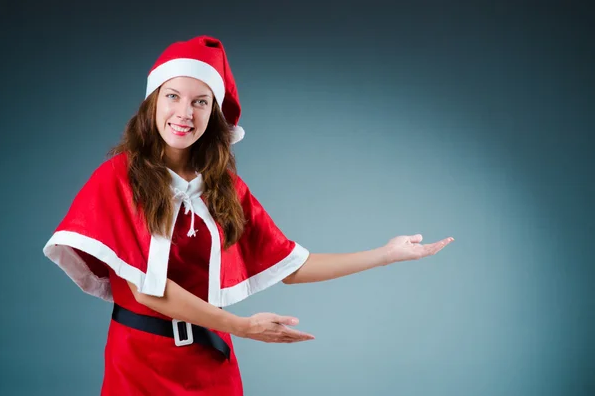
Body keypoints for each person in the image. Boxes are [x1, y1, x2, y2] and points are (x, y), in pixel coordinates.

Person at [43, 35, 454, 395]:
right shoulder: (118, 177)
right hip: (137, 363)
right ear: (153, 102)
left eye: (200, 102)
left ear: (213, 112)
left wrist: (384, 254)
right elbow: (148, 291)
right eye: (173, 96)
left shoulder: (223, 186)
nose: (184, 113)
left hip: (211, 362)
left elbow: (290, 263)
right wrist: (240, 326)